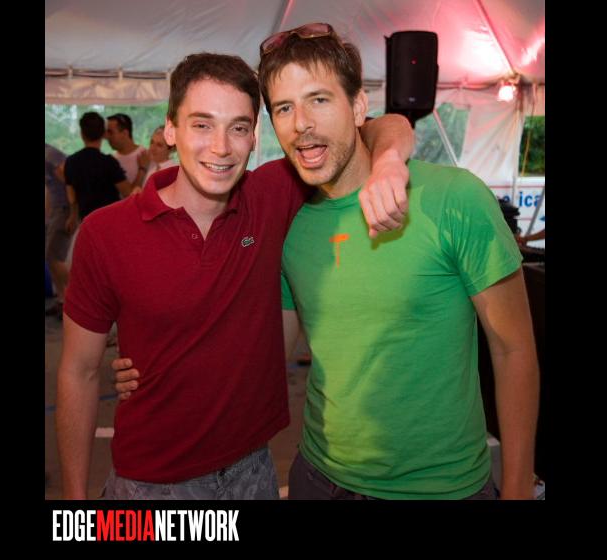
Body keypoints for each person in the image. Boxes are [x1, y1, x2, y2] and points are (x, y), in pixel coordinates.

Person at [117, 22, 540, 500]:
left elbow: (514, 350)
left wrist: (518, 485)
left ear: (358, 106)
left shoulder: (454, 198)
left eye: (318, 99)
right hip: (318, 478)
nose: (301, 123)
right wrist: (153, 362)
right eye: (284, 108)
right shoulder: (289, 217)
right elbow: (262, 348)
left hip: (443, 488)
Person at [56, 51, 415, 500]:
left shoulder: (270, 194)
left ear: (254, 135)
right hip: (152, 483)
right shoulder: (106, 232)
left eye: (238, 128)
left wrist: (388, 162)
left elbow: (376, 126)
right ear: (170, 129)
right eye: (202, 124)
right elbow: (78, 372)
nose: (221, 147)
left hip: (254, 470)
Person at [63, 112, 132, 237]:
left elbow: (71, 196)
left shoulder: (71, 161)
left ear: (82, 134)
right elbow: (128, 193)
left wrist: (72, 216)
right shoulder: (109, 162)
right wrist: (142, 169)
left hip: (86, 221)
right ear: (103, 134)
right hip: (110, 222)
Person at [45, 143, 72, 319]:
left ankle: (77, 299)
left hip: (64, 209)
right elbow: (50, 188)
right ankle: (62, 301)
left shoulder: (50, 155)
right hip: (56, 210)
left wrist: (73, 211)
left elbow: (70, 181)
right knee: (50, 256)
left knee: (54, 256)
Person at [105, 113, 147, 191]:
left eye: (110, 132)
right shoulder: (112, 161)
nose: (107, 137)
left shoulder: (145, 155)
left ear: (125, 133)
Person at [132, 125, 178, 193]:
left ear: (172, 149)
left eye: (159, 145)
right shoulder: (150, 166)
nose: (152, 148)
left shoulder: (174, 172)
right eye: (152, 142)